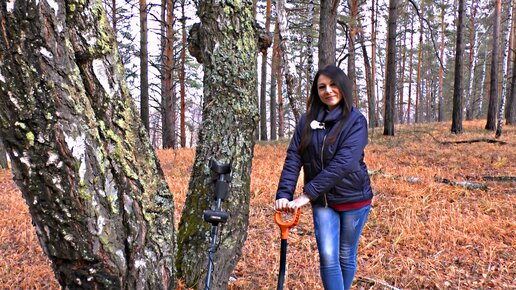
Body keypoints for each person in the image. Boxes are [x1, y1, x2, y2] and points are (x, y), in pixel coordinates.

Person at [274, 64, 373, 290]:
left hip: (353, 198)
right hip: (323, 201)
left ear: (343, 87)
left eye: (333, 85)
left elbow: (344, 163)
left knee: (345, 254)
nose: (328, 90)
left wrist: (307, 194)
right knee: (328, 256)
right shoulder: (306, 121)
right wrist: (284, 193)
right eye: (322, 87)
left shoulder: (356, 121)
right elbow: (293, 157)